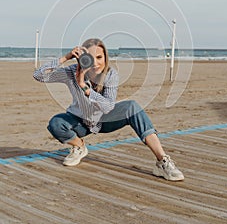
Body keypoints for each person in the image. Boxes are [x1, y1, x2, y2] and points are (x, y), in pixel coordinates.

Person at [33, 38, 184, 181]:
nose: (96, 63)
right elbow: (38, 75)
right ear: (82, 58)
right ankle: (79, 147)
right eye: (91, 58)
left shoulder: (110, 74)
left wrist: (85, 88)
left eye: (99, 57)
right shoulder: (71, 72)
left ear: (105, 57)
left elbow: (108, 107)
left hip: (104, 120)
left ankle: (162, 161)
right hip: (79, 122)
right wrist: (66, 57)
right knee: (56, 123)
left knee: (133, 107)